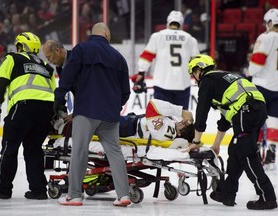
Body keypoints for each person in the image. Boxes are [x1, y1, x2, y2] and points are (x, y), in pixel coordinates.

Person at [186, 54, 277, 210]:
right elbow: (225, 118)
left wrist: (195, 142)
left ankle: (267, 196)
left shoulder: (207, 81)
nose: (194, 77)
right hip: (256, 110)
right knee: (235, 150)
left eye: (193, 72)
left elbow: (201, 113)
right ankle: (227, 193)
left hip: (245, 112)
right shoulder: (224, 77)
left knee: (248, 155)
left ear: (199, 69)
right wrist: (216, 145)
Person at [54, 22, 131, 206]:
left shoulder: (81, 49)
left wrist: (59, 96)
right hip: (110, 115)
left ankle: (74, 195)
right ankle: (124, 195)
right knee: (115, 153)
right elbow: (125, 92)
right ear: (106, 34)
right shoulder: (118, 57)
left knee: (79, 151)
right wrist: (114, 105)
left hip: (86, 111)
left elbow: (68, 75)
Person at [0, 32, 56, 200]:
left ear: (20, 46)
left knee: (9, 149)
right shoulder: (47, 68)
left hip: (23, 108)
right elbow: (55, 92)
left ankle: (3, 189)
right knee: (34, 150)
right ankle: (39, 190)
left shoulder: (13, 59)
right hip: (46, 111)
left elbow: (1, 83)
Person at [133, 10, 200, 109]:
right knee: (181, 119)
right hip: (183, 84)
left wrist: (141, 73)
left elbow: (146, 56)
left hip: (162, 84)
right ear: (181, 24)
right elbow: (197, 62)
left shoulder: (158, 36)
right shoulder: (190, 39)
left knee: (161, 119)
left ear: (168, 22)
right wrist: (199, 79)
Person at [248, 8, 278, 166]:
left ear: (270, 22)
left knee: (257, 119)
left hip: (262, 85)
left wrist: (249, 73)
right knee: (274, 121)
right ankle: (272, 149)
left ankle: (257, 150)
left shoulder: (266, 37)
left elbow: (257, 61)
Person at [119, 99, 194, 147]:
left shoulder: (166, 131)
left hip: (126, 127)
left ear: (179, 133)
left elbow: (152, 106)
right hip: (130, 124)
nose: (182, 121)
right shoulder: (171, 130)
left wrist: (181, 112)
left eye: (184, 125)